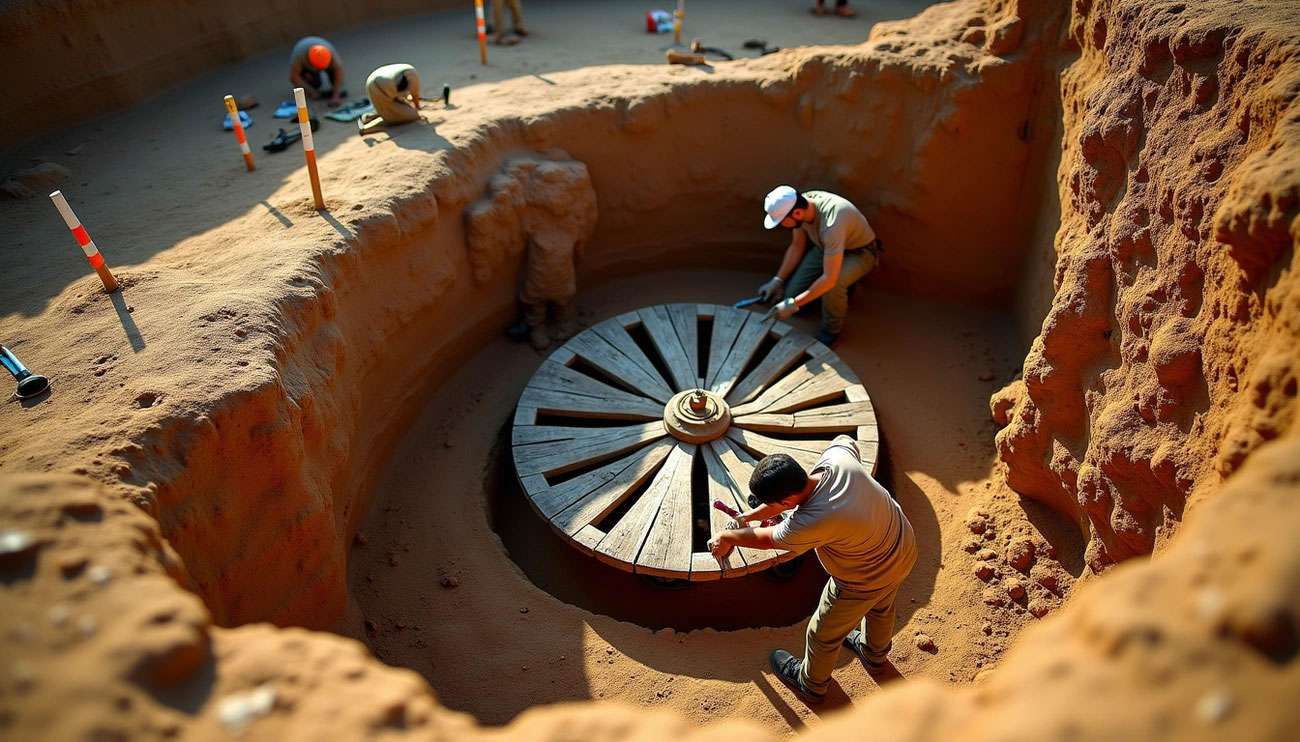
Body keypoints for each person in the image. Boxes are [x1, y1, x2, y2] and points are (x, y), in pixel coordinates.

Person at [707, 437, 916, 704]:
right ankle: (874, 654)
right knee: (881, 607)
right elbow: (846, 441)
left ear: (787, 501)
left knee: (821, 634)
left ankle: (812, 685)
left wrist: (726, 537)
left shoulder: (811, 521)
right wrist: (747, 518)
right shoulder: (837, 459)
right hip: (902, 547)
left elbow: (767, 539)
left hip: (865, 577)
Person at [757, 185, 883, 345]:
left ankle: (831, 331)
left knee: (834, 286)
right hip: (825, 247)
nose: (781, 225)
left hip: (859, 252)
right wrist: (777, 281)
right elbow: (797, 246)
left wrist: (793, 304)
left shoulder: (832, 224)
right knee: (792, 295)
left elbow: (830, 279)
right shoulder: (798, 206)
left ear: (796, 213)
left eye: (781, 222)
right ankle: (831, 296)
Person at [358, 64, 421, 134]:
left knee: (391, 108)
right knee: (413, 115)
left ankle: (371, 116)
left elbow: (401, 92)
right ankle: (366, 128)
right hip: (380, 86)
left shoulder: (408, 70)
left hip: (373, 79)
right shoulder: (412, 77)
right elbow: (415, 96)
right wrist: (417, 108)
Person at [289, 36, 345, 107]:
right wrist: (311, 91)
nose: (320, 71)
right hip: (306, 67)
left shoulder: (331, 53)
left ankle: (333, 90)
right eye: (318, 68)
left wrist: (336, 95)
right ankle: (310, 87)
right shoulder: (299, 57)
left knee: (335, 79)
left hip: (324, 62)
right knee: (315, 83)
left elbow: (339, 71)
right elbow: (293, 77)